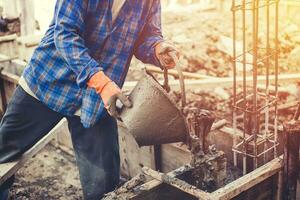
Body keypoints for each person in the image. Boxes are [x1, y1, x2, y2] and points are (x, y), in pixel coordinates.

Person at [0, 0, 179, 199]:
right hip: (47, 83)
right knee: (3, 153)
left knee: (104, 186)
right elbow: (65, 34)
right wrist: (100, 82)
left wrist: (156, 48)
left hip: (97, 102)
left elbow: (147, 35)